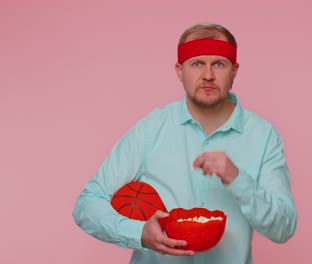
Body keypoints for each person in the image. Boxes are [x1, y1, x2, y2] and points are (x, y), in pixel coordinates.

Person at [73, 22, 297, 263]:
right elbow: (87, 204)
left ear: (235, 70)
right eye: (197, 63)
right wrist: (138, 234)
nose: (208, 75)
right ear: (180, 70)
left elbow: (284, 228)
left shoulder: (264, 136)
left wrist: (237, 178)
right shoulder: (152, 129)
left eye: (219, 64)